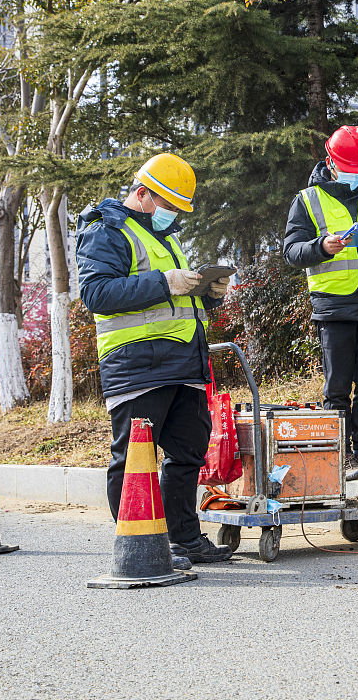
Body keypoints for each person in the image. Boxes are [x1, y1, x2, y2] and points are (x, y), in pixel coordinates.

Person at [77, 153, 233, 565]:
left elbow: (174, 302)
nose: (173, 217)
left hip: (183, 363)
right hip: (136, 366)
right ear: (143, 194)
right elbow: (97, 294)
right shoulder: (106, 231)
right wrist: (165, 282)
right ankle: (139, 543)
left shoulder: (166, 238)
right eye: (168, 207)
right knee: (134, 459)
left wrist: (206, 295)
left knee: (187, 454)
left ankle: (184, 539)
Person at [284, 125, 358, 481]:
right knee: (338, 387)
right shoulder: (307, 200)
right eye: (352, 171)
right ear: (330, 164)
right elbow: (291, 251)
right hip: (335, 305)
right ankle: (342, 457)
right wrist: (322, 246)